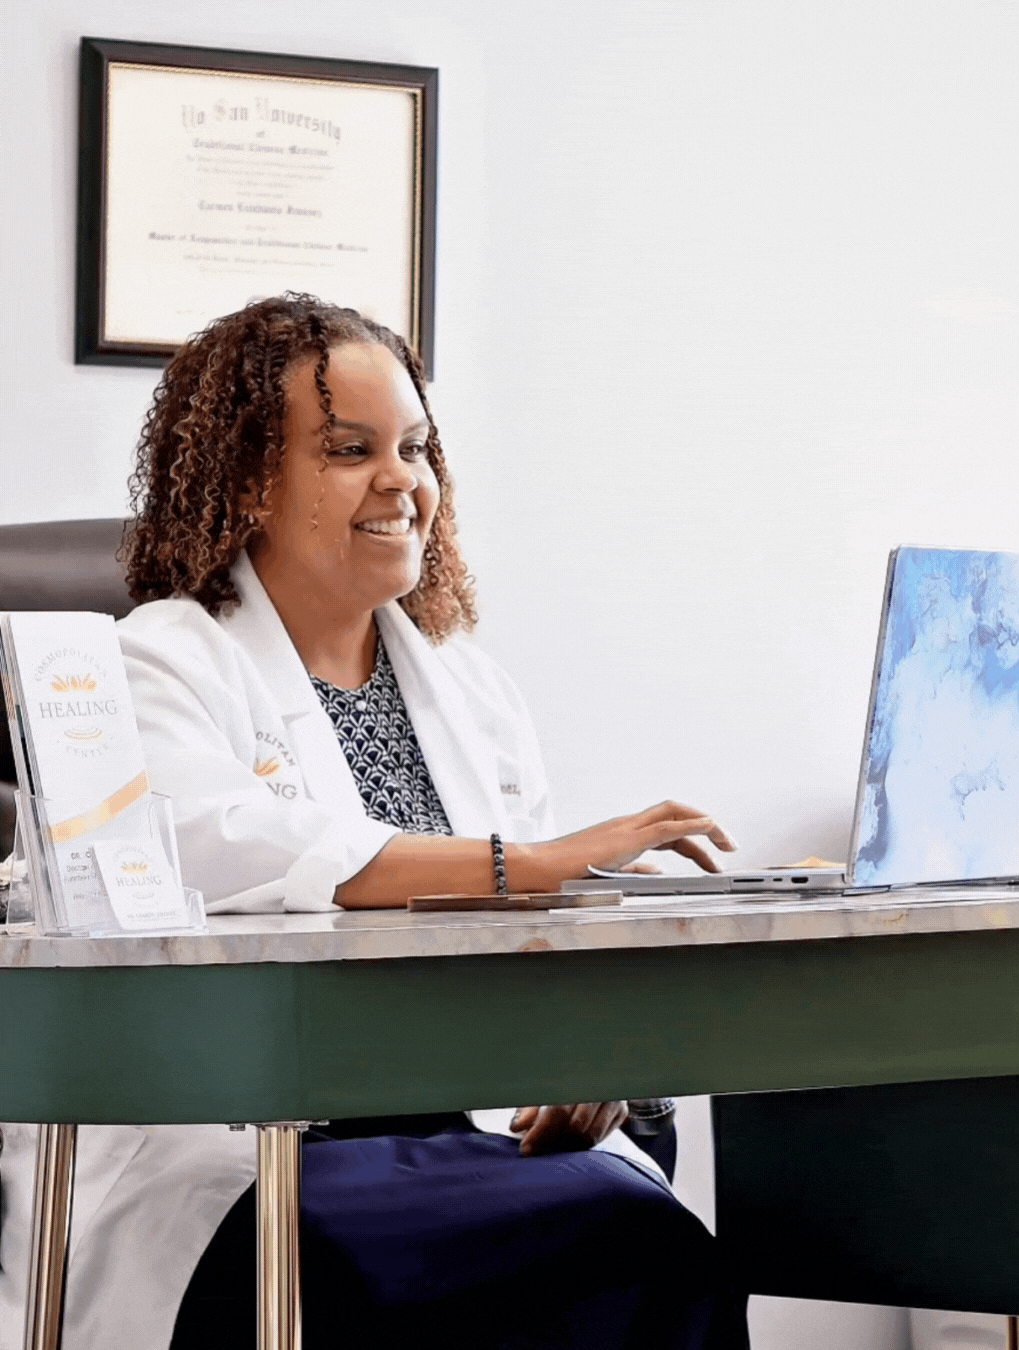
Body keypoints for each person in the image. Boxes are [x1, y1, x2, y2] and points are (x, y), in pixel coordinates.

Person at [0, 295, 747, 1350]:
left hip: (463, 1122)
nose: (403, 480)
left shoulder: (467, 688)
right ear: (250, 479)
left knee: (654, 1243)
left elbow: (534, 950)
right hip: (247, 1142)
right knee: (360, 1274)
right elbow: (222, 846)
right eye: (351, 450)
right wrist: (527, 863)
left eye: (416, 447)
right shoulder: (153, 663)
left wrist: (591, 1055)